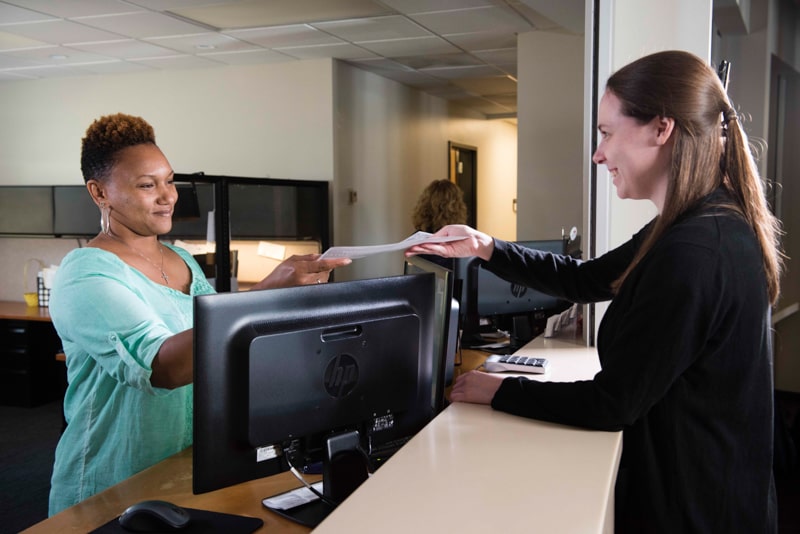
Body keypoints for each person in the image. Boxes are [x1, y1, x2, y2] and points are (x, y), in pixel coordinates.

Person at [406, 50, 782, 533]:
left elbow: (613, 404)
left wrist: (501, 390)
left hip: (697, 510)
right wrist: (486, 247)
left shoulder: (693, 252)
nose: (597, 153)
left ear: (660, 129)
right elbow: (586, 280)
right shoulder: (697, 223)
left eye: (606, 133)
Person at [47, 113, 350, 515]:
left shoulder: (181, 259)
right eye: (146, 185)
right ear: (99, 192)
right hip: (112, 486)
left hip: (185, 470)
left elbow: (223, 347)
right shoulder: (85, 272)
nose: (167, 196)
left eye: (169, 180)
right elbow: (163, 367)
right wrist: (266, 292)